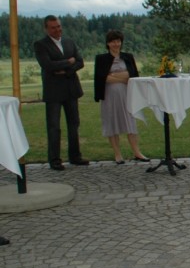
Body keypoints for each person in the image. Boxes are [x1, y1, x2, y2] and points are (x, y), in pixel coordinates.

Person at [33, 15, 90, 170]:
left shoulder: (69, 42)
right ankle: (55, 160)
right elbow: (47, 65)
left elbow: (80, 62)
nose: (57, 30)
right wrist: (68, 62)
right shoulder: (41, 45)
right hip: (53, 92)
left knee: (74, 124)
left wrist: (65, 70)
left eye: (59, 26)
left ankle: (75, 156)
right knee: (54, 126)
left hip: (71, 89)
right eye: (53, 27)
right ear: (46, 29)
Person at [93, 30, 149, 164]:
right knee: (112, 122)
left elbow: (133, 75)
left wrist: (113, 75)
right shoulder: (101, 59)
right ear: (108, 43)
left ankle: (137, 152)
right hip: (109, 96)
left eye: (118, 41)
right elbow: (102, 78)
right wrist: (122, 77)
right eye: (113, 41)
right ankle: (117, 154)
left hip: (126, 94)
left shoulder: (128, 57)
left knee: (130, 122)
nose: (116, 44)